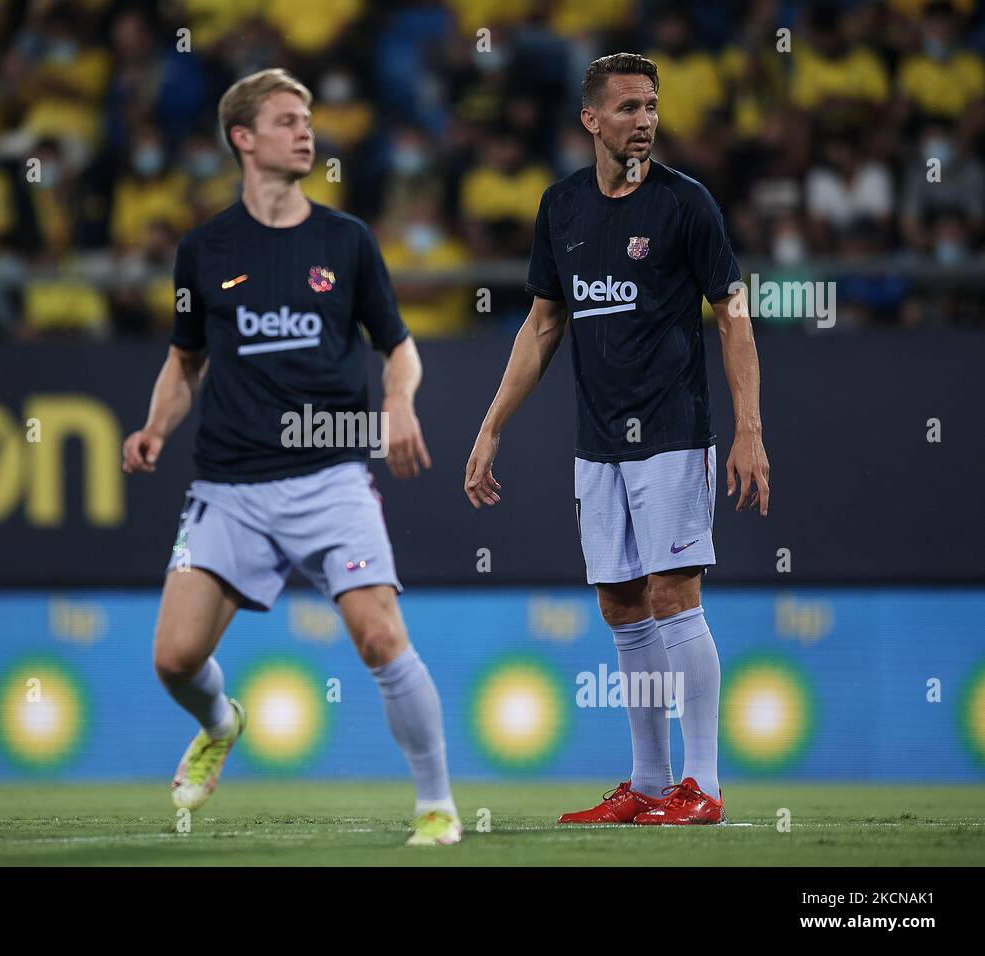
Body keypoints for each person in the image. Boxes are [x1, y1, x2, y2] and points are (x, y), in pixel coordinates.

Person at [122, 69, 461, 846]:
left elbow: (399, 349)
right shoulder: (203, 250)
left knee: (380, 636)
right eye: (286, 120)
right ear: (243, 139)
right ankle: (220, 721)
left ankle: (437, 804)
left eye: (308, 118)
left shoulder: (346, 241)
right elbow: (185, 360)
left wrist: (398, 401)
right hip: (229, 483)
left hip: (330, 473)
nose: (306, 131)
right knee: (174, 658)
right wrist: (154, 429)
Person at [465, 54, 771, 825]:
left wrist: (749, 431)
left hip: (671, 431)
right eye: (629, 107)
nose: (645, 119)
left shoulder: (685, 204)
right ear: (590, 120)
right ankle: (648, 782)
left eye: (652, 106)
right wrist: (491, 426)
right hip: (597, 441)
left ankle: (702, 787)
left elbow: (733, 315)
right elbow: (541, 326)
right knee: (621, 605)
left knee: (674, 594)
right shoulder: (560, 207)